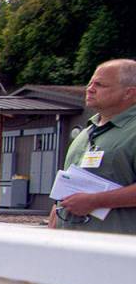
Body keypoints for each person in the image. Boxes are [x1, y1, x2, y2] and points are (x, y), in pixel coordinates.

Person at [51, 59, 136, 234]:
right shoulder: (86, 132)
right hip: (71, 244)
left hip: (117, 250)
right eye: (90, 83)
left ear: (129, 93)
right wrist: (55, 210)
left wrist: (95, 201)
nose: (90, 89)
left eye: (100, 85)